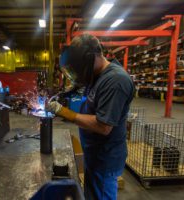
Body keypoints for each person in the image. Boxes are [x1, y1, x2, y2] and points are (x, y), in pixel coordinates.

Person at [46, 34, 134, 200]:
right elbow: (89, 88)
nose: (79, 74)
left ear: (91, 58)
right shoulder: (97, 74)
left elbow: (103, 126)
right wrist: (73, 88)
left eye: (80, 69)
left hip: (105, 158)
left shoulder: (115, 81)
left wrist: (65, 112)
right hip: (94, 154)